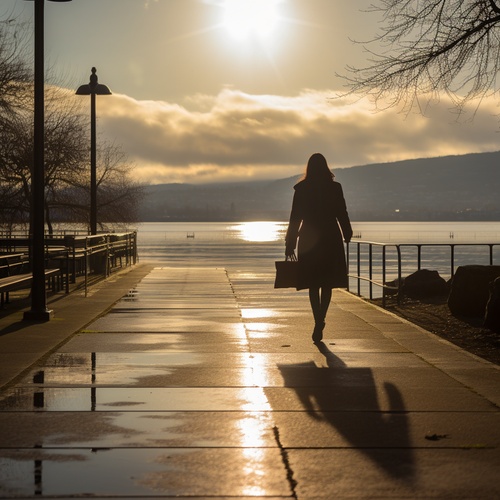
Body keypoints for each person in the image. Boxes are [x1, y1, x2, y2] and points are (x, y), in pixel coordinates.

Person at [285, 153, 353, 343]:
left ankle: (317, 320)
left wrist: (290, 243)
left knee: (313, 283)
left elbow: (295, 217)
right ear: (326, 167)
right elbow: (342, 212)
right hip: (331, 236)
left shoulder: (302, 188)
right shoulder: (335, 188)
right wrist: (347, 233)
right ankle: (322, 318)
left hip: (308, 238)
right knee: (327, 282)